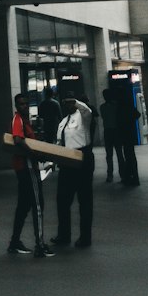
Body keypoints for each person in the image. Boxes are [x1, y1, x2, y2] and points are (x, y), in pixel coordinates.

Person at [7, 92, 54, 259]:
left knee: (23, 207)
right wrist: (34, 154)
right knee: (38, 205)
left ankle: (14, 243)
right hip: (27, 168)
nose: (24, 106)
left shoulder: (25, 121)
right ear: (16, 106)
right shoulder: (18, 120)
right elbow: (18, 140)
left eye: (26, 103)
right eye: (21, 104)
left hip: (24, 168)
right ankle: (40, 246)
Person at [51, 96, 95, 249]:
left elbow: (87, 110)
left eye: (71, 103)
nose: (68, 105)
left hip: (82, 158)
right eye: (65, 103)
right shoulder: (63, 121)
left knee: (85, 200)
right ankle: (64, 234)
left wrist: (76, 102)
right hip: (66, 160)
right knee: (62, 200)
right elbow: (58, 142)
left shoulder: (83, 117)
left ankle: (85, 238)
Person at [114, 88, 141, 186]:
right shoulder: (129, 107)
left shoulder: (119, 108)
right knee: (131, 156)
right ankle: (134, 177)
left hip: (123, 134)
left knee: (128, 156)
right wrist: (131, 121)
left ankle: (129, 176)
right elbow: (138, 115)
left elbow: (117, 121)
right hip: (130, 133)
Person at [99, 88, 125, 182]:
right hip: (115, 131)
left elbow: (104, 117)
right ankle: (122, 175)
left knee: (109, 155)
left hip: (108, 131)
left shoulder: (102, 107)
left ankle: (110, 175)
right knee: (119, 154)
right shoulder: (116, 106)